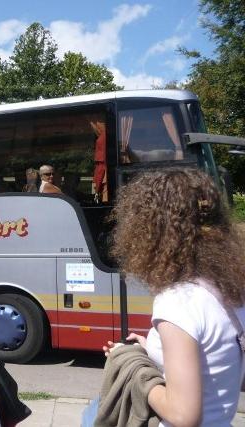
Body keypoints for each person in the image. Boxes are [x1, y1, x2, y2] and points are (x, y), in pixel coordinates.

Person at [102, 168, 245, 426]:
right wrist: (149, 347)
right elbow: (212, 357)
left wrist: (135, 371)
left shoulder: (178, 302)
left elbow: (183, 415)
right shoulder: (229, 289)